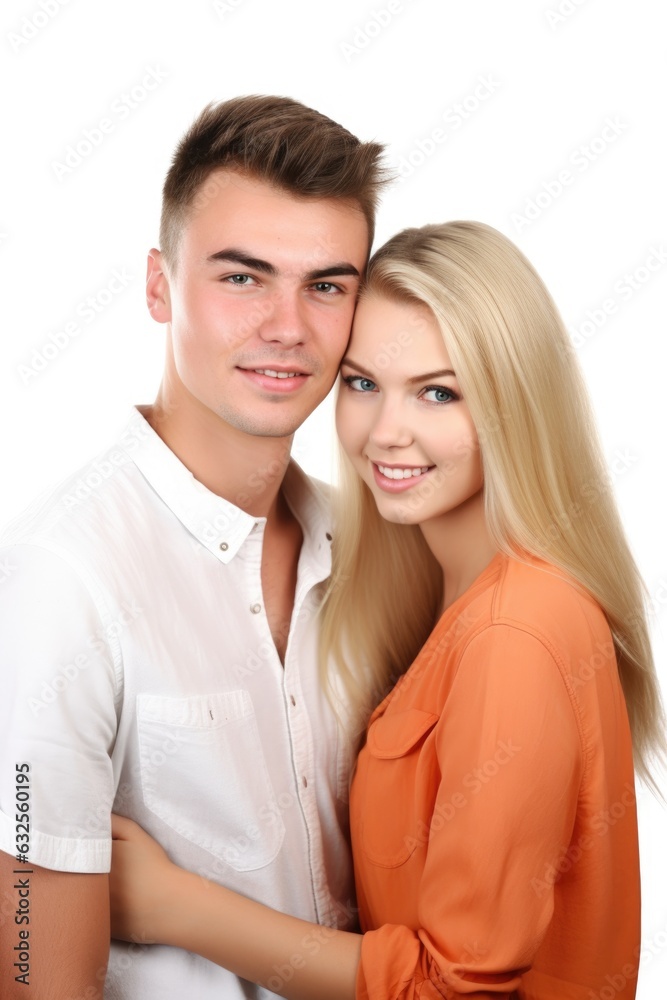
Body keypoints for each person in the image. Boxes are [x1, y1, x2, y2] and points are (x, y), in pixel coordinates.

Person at [108, 221, 665, 999]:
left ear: (516, 403)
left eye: (438, 392)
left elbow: (449, 985)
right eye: (362, 384)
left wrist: (173, 906)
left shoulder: (515, 629)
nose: (385, 433)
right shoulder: (461, 600)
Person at [0, 95, 386, 999]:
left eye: (327, 284)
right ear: (158, 285)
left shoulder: (372, 551)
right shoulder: (63, 581)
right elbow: (31, 978)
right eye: (243, 277)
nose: (289, 326)